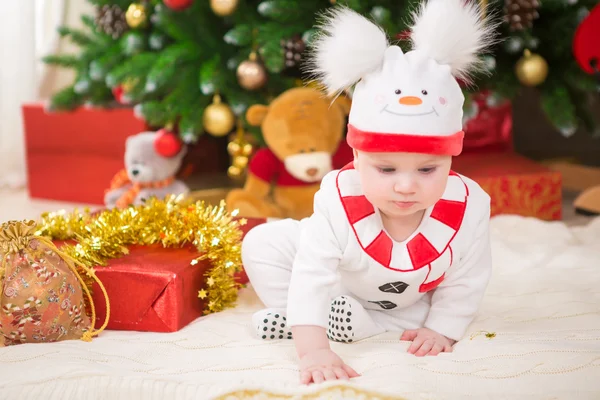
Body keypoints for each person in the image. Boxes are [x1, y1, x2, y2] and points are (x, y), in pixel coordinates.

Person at [241, 0, 497, 385]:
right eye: (386, 168)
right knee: (261, 242)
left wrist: (442, 330)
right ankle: (303, 317)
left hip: (402, 302)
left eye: (428, 169)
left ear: (451, 157)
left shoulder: (469, 207)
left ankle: (365, 323)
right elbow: (313, 271)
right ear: (356, 157)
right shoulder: (337, 199)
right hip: (340, 277)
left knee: (421, 312)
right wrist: (313, 350)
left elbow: (467, 279)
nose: (406, 185)